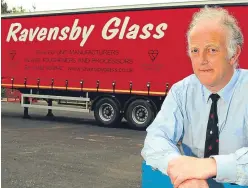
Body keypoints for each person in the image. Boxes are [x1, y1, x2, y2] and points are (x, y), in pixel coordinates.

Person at [141, 6, 248, 188]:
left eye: (212, 50)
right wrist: (181, 169)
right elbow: (156, 138)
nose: (202, 60)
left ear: (234, 54)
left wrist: (210, 166)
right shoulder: (182, 91)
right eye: (195, 51)